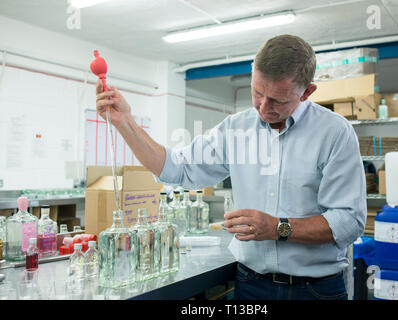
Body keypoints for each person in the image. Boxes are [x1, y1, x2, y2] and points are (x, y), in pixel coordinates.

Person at [96, 34, 367, 300]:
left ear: (307, 92)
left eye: (278, 100)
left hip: (315, 290)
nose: (263, 108)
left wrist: (278, 228)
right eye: (257, 93)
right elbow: (177, 169)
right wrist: (125, 122)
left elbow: (348, 222)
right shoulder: (236, 128)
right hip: (252, 285)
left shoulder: (334, 133)